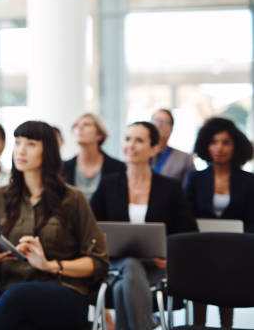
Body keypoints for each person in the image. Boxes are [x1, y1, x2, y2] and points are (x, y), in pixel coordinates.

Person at [0, 121, 109, 330]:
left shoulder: (72, 198)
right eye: (17, 143)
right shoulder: (0, 197)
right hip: (12, 298)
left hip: (64, 294)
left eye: (31, 144)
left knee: (17, 297)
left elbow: (98, 262)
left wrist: (49, 265)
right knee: (17, 304)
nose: (21, 150)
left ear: (48, 151)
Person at [90, 121, 198, 330]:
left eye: (139, 140)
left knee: (124, 284)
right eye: (128, 139)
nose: (131, 145)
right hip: (113, 264)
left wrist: (167, 255)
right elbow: (90, 227)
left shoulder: (170, 188)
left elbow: (189, 233)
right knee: (130, 265)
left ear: (154, 148)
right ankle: (147, 324)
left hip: (157, 268)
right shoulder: (108, 184)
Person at [184, 117, 254, 328]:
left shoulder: (248, 181)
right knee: (199, 282)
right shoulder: (195, 178)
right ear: (206, 145)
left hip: (236, 248)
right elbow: (186, 216)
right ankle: (198, 325)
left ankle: (227, 326)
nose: (219, 148)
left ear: (236, 146)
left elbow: (252, 219)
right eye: (214, 142)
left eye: (226, 142)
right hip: (200, 246)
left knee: (227, 285)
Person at [63, 113, 125, 200]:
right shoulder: (63, 168)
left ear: (99, 134)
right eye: (76, 125)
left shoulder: (118, 168)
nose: (79, 128)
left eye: (86, 124)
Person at [150, 108, 195, 186]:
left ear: (171, 129)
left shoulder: (185, 159)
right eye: (155, 120)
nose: (158, 125)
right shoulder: (138, 154)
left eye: (163, 122)